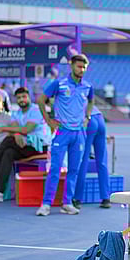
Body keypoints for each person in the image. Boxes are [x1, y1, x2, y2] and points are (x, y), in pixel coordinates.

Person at [36, 54, 94, 216]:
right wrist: (48, 121)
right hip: (62, 132)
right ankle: (46, 204)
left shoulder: (88, 86)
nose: (81, 69)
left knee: (74, 169)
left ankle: (67, 203)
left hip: (79, 133)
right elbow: (41, 100)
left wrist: (87, 117)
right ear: (71, 66)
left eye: (83, 67)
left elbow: (91, 101)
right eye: (78, 66)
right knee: (55, 168)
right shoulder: (59, 84)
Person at [73, 105, 112, 209]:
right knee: (102, 162)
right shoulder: (83, 92)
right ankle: (106, 198)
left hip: (88, 121)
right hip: (99, 118)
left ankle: (77, 198)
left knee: (83, 160)